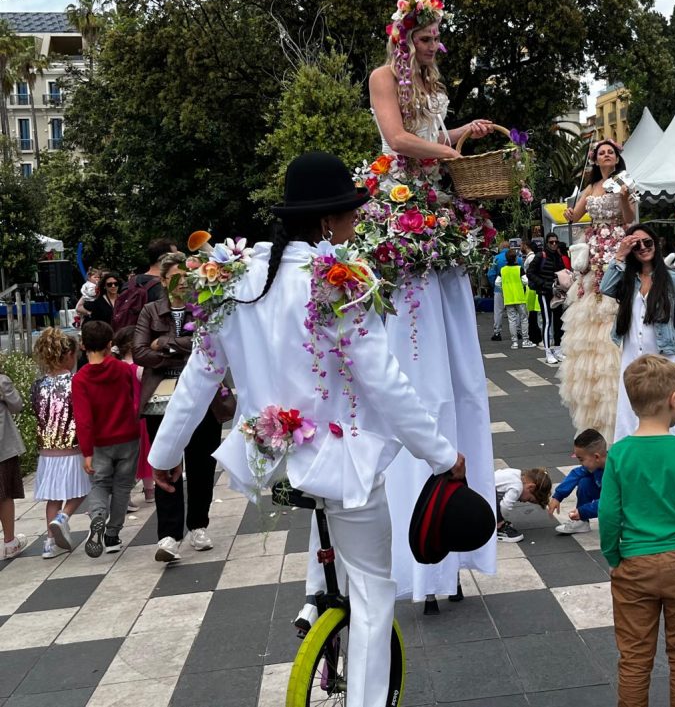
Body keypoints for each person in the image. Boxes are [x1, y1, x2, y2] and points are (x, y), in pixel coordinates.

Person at [148, 152, 465, 707]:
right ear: (326, 221)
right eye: (348, 214)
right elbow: (383, 381)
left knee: (338, 561)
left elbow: (200, 374)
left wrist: (163, 455)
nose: (353, 225)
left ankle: (317, 603)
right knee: (372, 591)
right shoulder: (336, 279)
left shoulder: (234, 276)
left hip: (271, 458)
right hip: (341, 462)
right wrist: (442, 455)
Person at [368, 0, 497, 605]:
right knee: (419, 369)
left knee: (460, 376)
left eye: (434, 39)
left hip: (437, 209)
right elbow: (396, 138)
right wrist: (448, 153)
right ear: (404, 36)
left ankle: (453, 539)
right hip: (402, 206)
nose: (431, 47)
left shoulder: (430, 80)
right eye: (423, 39)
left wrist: (460, 134)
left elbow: (430, 133)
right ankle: (412, 553)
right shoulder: (383, 78)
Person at [599, 354, 675, 707]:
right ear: (673, 399)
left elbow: (609, 514)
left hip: (634, 564)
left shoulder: (619, 454)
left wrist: (613, 557)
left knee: (635, 658)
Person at [134, 251, 227, 563]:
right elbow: (139, 352)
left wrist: (165, 345)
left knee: (202, 463)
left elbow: (208, 346)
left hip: (201, 395)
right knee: (165, 459)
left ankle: (198, 525)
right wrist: (174, 351)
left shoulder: (202, 307)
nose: (183, 283)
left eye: (188, 277)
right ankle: (170, 534)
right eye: (176, 277)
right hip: (161, 397)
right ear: (163, 280)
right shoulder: (150, 311)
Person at [558, 138, 636, 440]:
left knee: (611, 309)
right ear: (596, 159)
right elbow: (574, 216)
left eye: (610, 152)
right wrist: (568, 214)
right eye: (602, 152)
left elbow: (630, 220)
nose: (606, 155)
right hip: (592, 252)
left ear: (616, 158)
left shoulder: (624, 182)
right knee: (590, 315)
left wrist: (627, 198)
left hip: (615, 246)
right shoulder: (589, 188)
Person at [601, 224, 675, 443]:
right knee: (628, 416)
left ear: (657, 243)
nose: (643, 248)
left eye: (647, 242)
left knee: (666, 416)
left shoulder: (674, 280)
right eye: (636, 245)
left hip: (664, 358)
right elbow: (605, 288)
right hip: (632, 358)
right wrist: (620, 255)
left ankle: (667, 465)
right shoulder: (626, 278)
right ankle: (631, 468)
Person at [72, 320, 141, 558]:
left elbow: (83, 419)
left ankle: (98, 516)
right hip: (128, 436)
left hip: (100, 442)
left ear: (83, 345)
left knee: (100, 484)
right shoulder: (122, 369)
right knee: (123, 487)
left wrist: (87, 452)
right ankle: (112, 535)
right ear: (110, 344)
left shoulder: (80, 379)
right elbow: (134, 396)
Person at [31, 328, 90, 558]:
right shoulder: (76, 382)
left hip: (47, 450)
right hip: (72, 447)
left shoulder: (38, 385)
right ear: (68, 356)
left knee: (53, 497)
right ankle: (63, 517)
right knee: (82, 489)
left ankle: (49, 544)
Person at [112, 326, 154, 507]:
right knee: (146, 452)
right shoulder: (139, 368)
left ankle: (126, 495)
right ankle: (149, 490)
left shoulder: (116, 367)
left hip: (121, 414)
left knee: (127, 457)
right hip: (140, 414)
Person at [547, 428, 606, 534]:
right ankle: (581, 523)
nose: (580, 463)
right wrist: (557, 496)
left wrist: (583, 511)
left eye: (581, 459)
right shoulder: (595, 465)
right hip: (611, 499)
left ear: (596, 457)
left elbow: (610, 501)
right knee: (584, 482)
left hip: (627, 503)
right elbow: (575, 474)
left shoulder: (617, 470)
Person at [526, 232, 570, 365]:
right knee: (547, 322)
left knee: (558, 322)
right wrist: (545, 284)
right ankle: (547, 351)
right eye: (551, 242)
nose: (554, 244)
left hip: (556, 293)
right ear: (547, 243)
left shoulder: (558, 256)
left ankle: (557, 349)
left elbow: (561, 271)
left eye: (556, 242)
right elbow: (530, 272)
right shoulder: (541, 255)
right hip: (544, 293)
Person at [0, 369, 27, 560]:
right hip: (3, 449)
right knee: (5, 494)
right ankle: (9, 542)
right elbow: (17, 405)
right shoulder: (2, 381)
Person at [494, 467, 552, 543]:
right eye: (529, 499)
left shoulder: (516, 474)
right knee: (501, 504)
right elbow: (505, 506)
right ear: (530, 487)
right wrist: (502, 520)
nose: (525, 501)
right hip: (479, 499)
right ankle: (497, 527)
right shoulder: (517, 487)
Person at [498, 249, 534, 350]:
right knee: (523, 319)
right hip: (519, 297)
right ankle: (525, 340)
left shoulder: (503, 270)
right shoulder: (519, 269)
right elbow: (526, 281)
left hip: (508, 298)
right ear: (515, 258)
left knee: (511, 320)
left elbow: (497, 282)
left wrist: (504, 289)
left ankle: (514, 342)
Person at [487, 240, 510, 341]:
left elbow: (490, 274)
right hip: (514, 289)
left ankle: (497, 332)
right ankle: (518, 332)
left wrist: (494, 284)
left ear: (500, 248)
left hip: (499, 288)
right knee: (515, 312)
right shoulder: (518, 259)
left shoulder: (496, 258)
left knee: (498, 311)